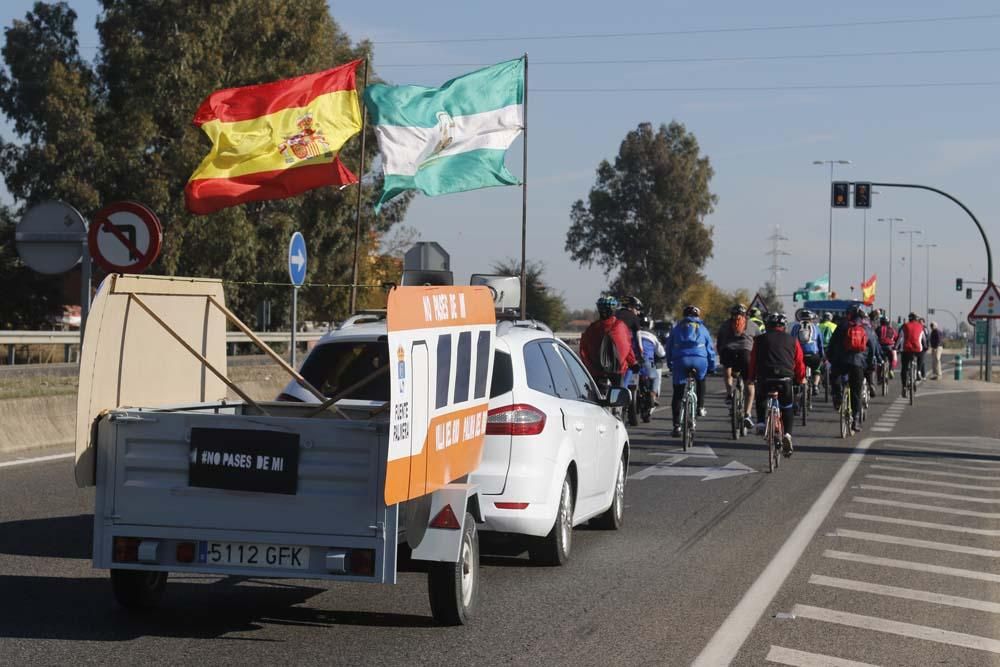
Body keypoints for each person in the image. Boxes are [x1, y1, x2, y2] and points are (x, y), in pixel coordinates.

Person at [748, 312, 805, 456]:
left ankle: (761, 423)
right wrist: (801, 378)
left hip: (765, 377)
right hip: (785, 378)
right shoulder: (792, 340)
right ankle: (787, 435)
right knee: (787, 406)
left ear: (767, 326)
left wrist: (750, 377)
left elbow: (753, 360)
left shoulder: (759, 340)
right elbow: (799, 362)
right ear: (784, 326)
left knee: (761, 397)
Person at [667, 305, 717, 437]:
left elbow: (668, 347)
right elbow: (710, 350)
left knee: (678, 393)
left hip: (680, 360)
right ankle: (700, 407)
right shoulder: (703, 329)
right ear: (698, 316)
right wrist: (711, 367)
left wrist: (669, 363)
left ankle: (677, 426)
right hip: (699, 361)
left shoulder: (676, 328)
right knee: (701, 379)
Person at [828, 305, 878, 432]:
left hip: (841, 362)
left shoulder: (842, 326)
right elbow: (872, 348)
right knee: (856, 392)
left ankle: (838, 397)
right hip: (858, 364)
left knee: (834, 376)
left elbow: (832, 344)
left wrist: (831, 358)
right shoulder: (866, 329)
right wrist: (868, 364)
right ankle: (855, 420)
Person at [716, 303, 758, 432]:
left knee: (727, 369)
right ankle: (748, 414)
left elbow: (719, 342)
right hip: (746, 354)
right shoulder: (752, 325)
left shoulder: (725, 325)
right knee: (749, 384)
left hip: (729, 352)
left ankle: (729, 394)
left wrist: (721, 353)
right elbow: (760, 342)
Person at [580, 296, 638, 388]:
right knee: (620, 396)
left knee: (592, 397)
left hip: (596, 372)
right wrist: (633, 363)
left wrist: (588, 366)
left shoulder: (592, 329)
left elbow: (583, 350)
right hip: (617, 370)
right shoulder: (621, 326)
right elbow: (627, 347)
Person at [790, 309, 824, 396]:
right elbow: (820, 344)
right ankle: (815, 385)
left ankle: (797, 387)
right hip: (813, 355)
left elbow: (791, 341)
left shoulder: (795, 327)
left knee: (796, 370)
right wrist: (822, 356)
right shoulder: (816, 328)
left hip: (799, 356)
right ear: (811, 319)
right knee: (817, 368)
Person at [637, 315, 666, 404]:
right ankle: (652, 394)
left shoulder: (634, 332)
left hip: (633, 360)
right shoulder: (652, 335)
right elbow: (661, 353)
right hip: (648, 361)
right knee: (655, 377)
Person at [897, 312, 926, 397]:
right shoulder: (921, 327)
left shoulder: (904, 326)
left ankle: (904, 386)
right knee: (921, 356)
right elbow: (924, 339)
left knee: (904, 368)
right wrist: (925, 346)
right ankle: (918, 371)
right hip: (917, 349)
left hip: (906, 349)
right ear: (916, 319)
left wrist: (896, 347)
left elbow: (900, 338)